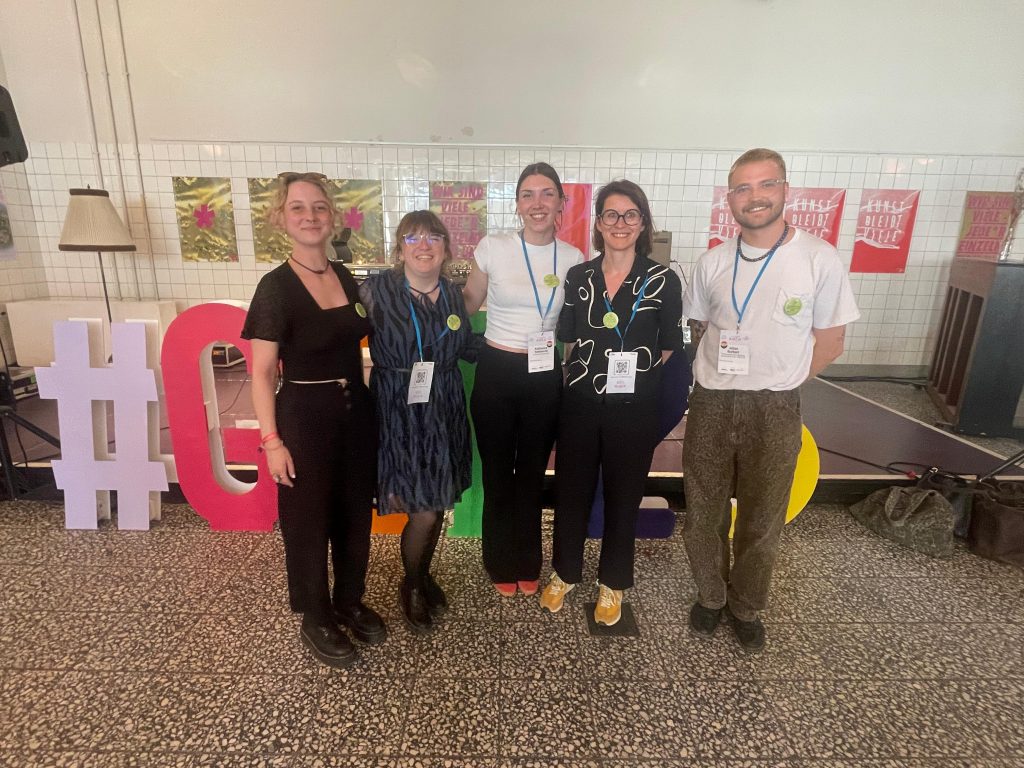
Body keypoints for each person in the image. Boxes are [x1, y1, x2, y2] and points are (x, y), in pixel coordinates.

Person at [682, 148, 860, 651]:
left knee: (763, 515)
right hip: (713, 401)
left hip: (776, 405)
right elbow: (697, 326)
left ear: (785, 190)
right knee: (704, 510)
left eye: (765, 185)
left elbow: (832, 339)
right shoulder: (713, 261)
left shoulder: (817, 257)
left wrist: (782, 383)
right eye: (742, 188)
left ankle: (747, 605)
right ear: (730, 198)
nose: (754, 196)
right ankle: (712, 596)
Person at [242, 172, 386, 668]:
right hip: (304, 418)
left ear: (332, 217)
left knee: (353, 517)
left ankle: (349, 600)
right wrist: (271, 441)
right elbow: (261, 374)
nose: (310, 216)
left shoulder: (344, 276)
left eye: (319, 207)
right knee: (307, 523)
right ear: (281, 217)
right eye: (298, 208)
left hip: (355, 415)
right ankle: (315, 614)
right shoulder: (275, 287)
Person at [539, 179, 686, 626]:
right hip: (581, 402)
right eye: (611, 215)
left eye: (630, 215)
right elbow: (567, 340)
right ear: (598, 223)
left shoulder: (662, 280)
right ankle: (564, 572)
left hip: (633, 407)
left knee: (624, 496)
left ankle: (613, 583)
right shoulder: (579, 275)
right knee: (572, 493)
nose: (620, 224)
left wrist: (627, 376)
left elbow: (665, 347)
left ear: (642, 223)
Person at [463, 163, 585, 596]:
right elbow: (467, 302)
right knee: (497, 474)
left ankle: (528, 562)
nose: (537, 203)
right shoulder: (493, 247)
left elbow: (575, 327)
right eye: (528, 195)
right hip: (496, 371)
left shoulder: (573, 259)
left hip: (544, 376)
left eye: (547, 194)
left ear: (560, 204)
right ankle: (499, 562)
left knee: (532, 474)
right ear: (517, 204)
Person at [358, 211, 473, 633]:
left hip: (443, 404)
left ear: (445, 247)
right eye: (413, 237)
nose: (423, 245)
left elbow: (466, 346)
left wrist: (514, 356)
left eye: (432, 237)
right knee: (421, 509)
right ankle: (411, 585)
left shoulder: (454, 296)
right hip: (397, 406)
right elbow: (335, 338)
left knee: (436, 499)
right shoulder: (374, 291)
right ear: (399, 247)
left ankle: (422, 576)